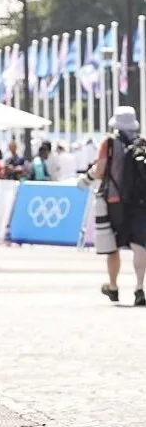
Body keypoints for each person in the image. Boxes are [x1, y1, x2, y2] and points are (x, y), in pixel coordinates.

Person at [79, 106, 146, 306]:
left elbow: (100, 171)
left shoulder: (108, 142)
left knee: (112, 245)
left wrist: (87, 178)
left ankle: (114, 286)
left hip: (114, 200)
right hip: (139, 202)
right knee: (140, 245)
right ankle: (139, 288)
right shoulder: (142, 143)